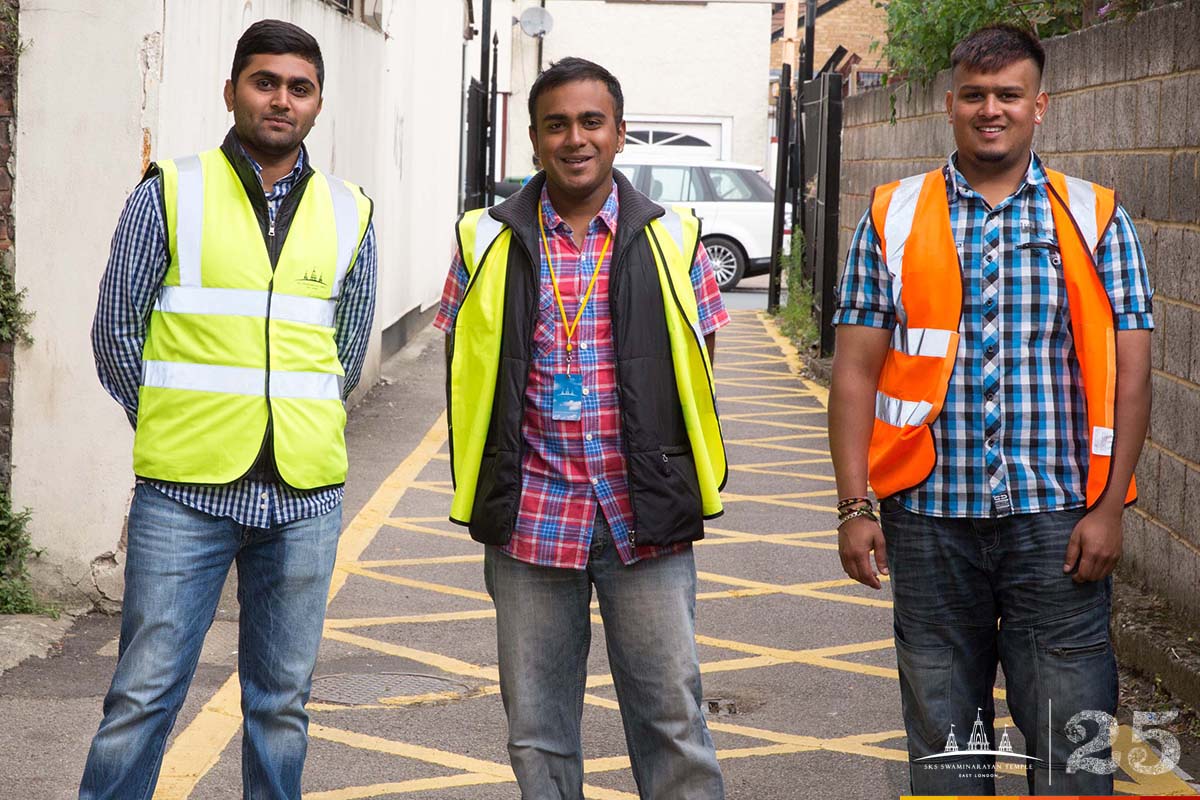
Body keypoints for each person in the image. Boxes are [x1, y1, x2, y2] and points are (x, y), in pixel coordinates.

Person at [828, 24, 1152, 796]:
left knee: (1073, 755)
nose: (990, 109)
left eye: (1008, 94)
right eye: (974, 94)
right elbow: (853, 372)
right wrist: (853, 504)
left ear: (1041, 105)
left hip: (1059, 524)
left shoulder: (1094, 217)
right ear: (949, 105)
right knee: (947, 755)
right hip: (929, 518)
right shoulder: (894, 214)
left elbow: (1132, 378)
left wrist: (1110, 510)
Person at [82, 19, 376, 800]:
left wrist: (298, 420)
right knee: (143, 699)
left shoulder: (351, 211)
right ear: (233, 92)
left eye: (299, 87)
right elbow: (116, 330)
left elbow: (344, 351)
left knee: (282, 707)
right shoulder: (169, 192)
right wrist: (172, 423)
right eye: (265, 81)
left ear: (317, 105)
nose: (281, 99)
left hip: (305, 498)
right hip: (185, 494)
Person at [434, 57, 728, 800]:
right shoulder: (484, 239)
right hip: (531, 516)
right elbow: (460, 360)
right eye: (556, 124)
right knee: (537, 735)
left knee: (672, 724)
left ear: (620, 134)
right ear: (533, 137)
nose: (575, 138)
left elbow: (701, 357)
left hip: (643, 517)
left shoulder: (673, 235)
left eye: (591, 121)